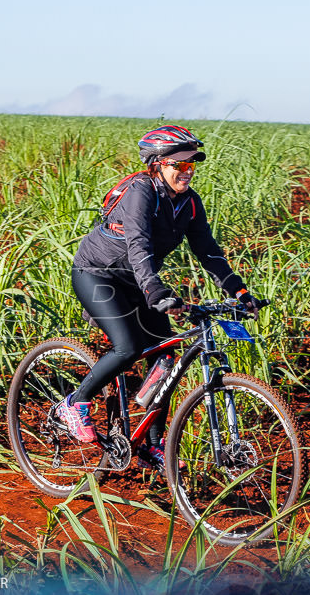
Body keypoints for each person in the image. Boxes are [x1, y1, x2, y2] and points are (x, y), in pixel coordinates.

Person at [59, 125, 259, 469]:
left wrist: (239, 291)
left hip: (137, 280)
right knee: (128, 348)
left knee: (166, 357)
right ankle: (75, 403)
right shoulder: (141, 191)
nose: (188, 170)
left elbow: (208, 252)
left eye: (192, 163)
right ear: (157, 164)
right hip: (98, 274)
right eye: (179, 164)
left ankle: (151, 446)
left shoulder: (190, 204)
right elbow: (139, 245)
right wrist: (154, 289)